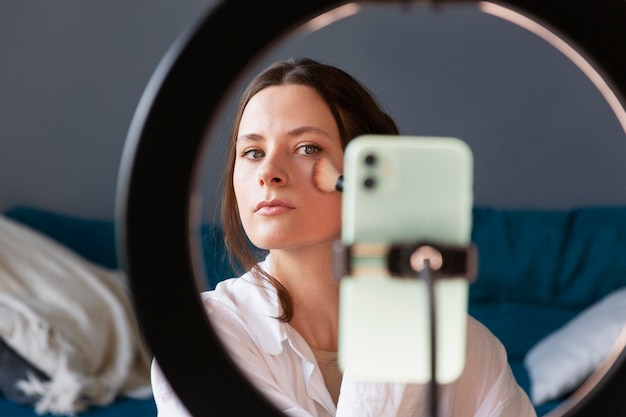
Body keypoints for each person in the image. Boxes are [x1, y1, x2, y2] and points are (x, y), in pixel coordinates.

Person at [151, 57, 536, 416]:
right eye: (252, 152)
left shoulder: (462, 345)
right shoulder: (197, 340)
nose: (269, 172)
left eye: (307, 148)